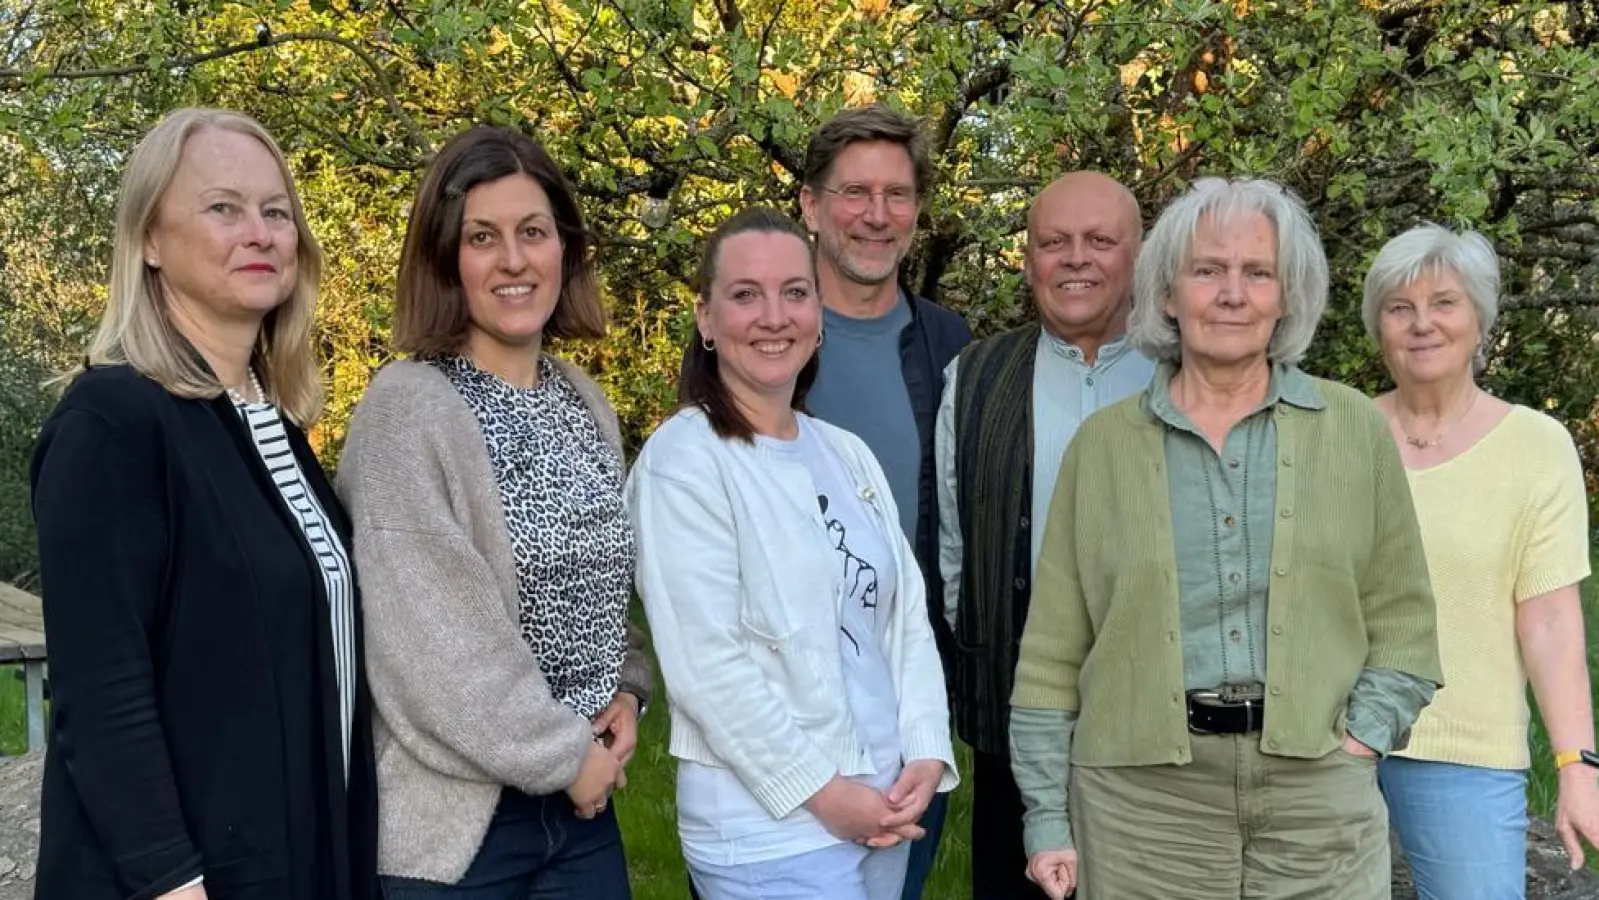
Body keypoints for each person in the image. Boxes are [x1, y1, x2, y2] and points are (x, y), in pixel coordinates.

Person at [1009, 177, 1443, 899]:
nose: (1231, 293)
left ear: (1286, 296)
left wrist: (1360, 738)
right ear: (1167, 294)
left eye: (1257, 273)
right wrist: (1047, 817)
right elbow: (1053, 654)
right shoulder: (1103, 447)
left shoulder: (1351, 428)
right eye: (1206, 270)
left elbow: (1403, 621)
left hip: (1315, 796)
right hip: (1140, 808)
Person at [29, 107, 377, 900]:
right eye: (223, 208)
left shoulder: (274, 427)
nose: (258, 232)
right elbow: (102, 696)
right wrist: (171, 882)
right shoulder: (112, 423)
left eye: (276, 211)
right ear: (149, 240)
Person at [336, 125, 652, 899]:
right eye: (483, 237)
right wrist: (567, 758)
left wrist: (628, 688)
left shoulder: (583, 401)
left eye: (533, 232)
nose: (514, 260)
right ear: (447, 259)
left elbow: (604, 586)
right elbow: (435, 646)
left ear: (565, 251)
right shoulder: (406, 410)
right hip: (459, 833)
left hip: (581, 815)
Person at [628, 207, 958, 900]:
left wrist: (926, 748)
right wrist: (825, 794)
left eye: (794, 292)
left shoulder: (844, 453)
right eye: (745, 294)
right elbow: (705, 666)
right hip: (768, 829)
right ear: (706, 318)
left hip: (884, 803)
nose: (773, 316)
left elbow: (903, 622)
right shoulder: (684, 462)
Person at [933, 171, 1154, 899]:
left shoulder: (1186, 372)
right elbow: (956, 547)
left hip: (1158, 726)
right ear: (1027, 260)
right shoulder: (973, 376)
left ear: (1139, 256)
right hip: (1015, 711)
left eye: (1099, 241)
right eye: (1053, 242)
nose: (1075, 259)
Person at [1363, 224, 1599, 897]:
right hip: (1326, 747)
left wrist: (1576, 765)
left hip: (1463, 750)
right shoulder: (1338, 427)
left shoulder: (1535, 446)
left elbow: (1550, 623)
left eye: (1444, 303)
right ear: (1377, 325)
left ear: (1480, 319)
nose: (1421, 325)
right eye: (1398, 307)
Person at [796, 104, 972, 898]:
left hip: (905, 699)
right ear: (809, 204)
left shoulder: (950, 348)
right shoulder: (766, 336)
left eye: (896, 195)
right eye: (853, 192)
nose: (876, 215)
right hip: (783, 700)